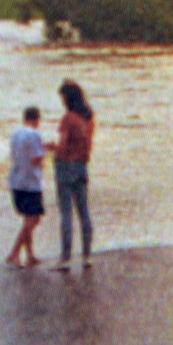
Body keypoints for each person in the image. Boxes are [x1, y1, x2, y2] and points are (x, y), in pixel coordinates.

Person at [52, 80, 95, 271]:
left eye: (62, 97)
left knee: (66, 213)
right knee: (84, 211)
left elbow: (62, 146)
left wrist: (52, 149)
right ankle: (87, 255)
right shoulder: (89, 118)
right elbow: (87, 144)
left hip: (65, 166)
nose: (62, 101)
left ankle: (65, 257)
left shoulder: (68, 118)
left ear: (68, 98)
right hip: (81, 165)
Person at [6, 106, 48, 269]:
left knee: (27, 218)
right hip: (31, 182)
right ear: (37, 119)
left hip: (16, 180)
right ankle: (14, 252)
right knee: (34, 218)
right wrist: (47, 151)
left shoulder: (16, 134)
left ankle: (30, 254)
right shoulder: (35, 135)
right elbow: (36, 158)